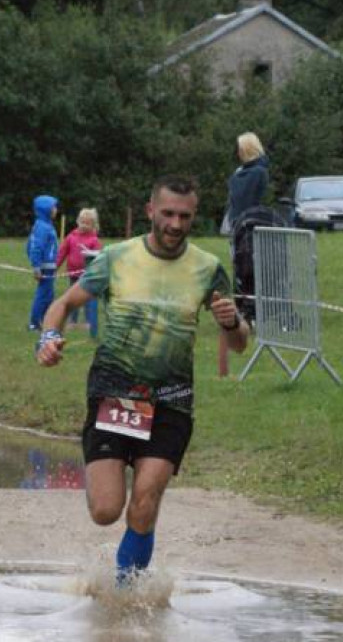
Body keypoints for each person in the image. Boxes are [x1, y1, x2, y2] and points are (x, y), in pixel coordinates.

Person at [35, 175, 249, 584]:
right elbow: (62, 304)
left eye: (184, 216)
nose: (175, 224)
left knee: (146, 500)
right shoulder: (117, 257)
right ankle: (109, 489)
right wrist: (48, 337)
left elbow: (238, 344)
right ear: (151, 210)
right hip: (114, 393)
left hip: (171, 399)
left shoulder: (207, 269)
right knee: (106, 511)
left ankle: (125, 591)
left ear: (193, 217)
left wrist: (233, 322)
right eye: (167, 213)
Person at [55, 208, 102, 334]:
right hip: (73, 274)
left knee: (87, 299)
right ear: (78, 221)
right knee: (72, 298)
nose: (84, 225)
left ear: (93, 225)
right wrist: (55, 267)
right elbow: (62, 253)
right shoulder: (71, 237)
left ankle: (88, 321)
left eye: (87, 223)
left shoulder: (94, 240)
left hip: (87, 276)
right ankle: (73, 321)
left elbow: (99, 258)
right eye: (82, 222)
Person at [222, 132, 269, 236]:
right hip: (238, 222)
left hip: (248, 224)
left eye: (239, 149)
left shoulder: (257, 172)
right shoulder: (243, 171)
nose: (238, 153)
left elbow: (245, 200)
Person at [26, 194, 59, 331]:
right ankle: (34, 322)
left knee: (49, 295)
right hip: (44, 267)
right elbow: (35, 247)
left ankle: (47, 321)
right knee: (42, 295)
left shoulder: (47, 225)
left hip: (50, 266)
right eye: (53, 207)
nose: (56, 210)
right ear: (46, 210)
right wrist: (36, 267)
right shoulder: (42, 227)